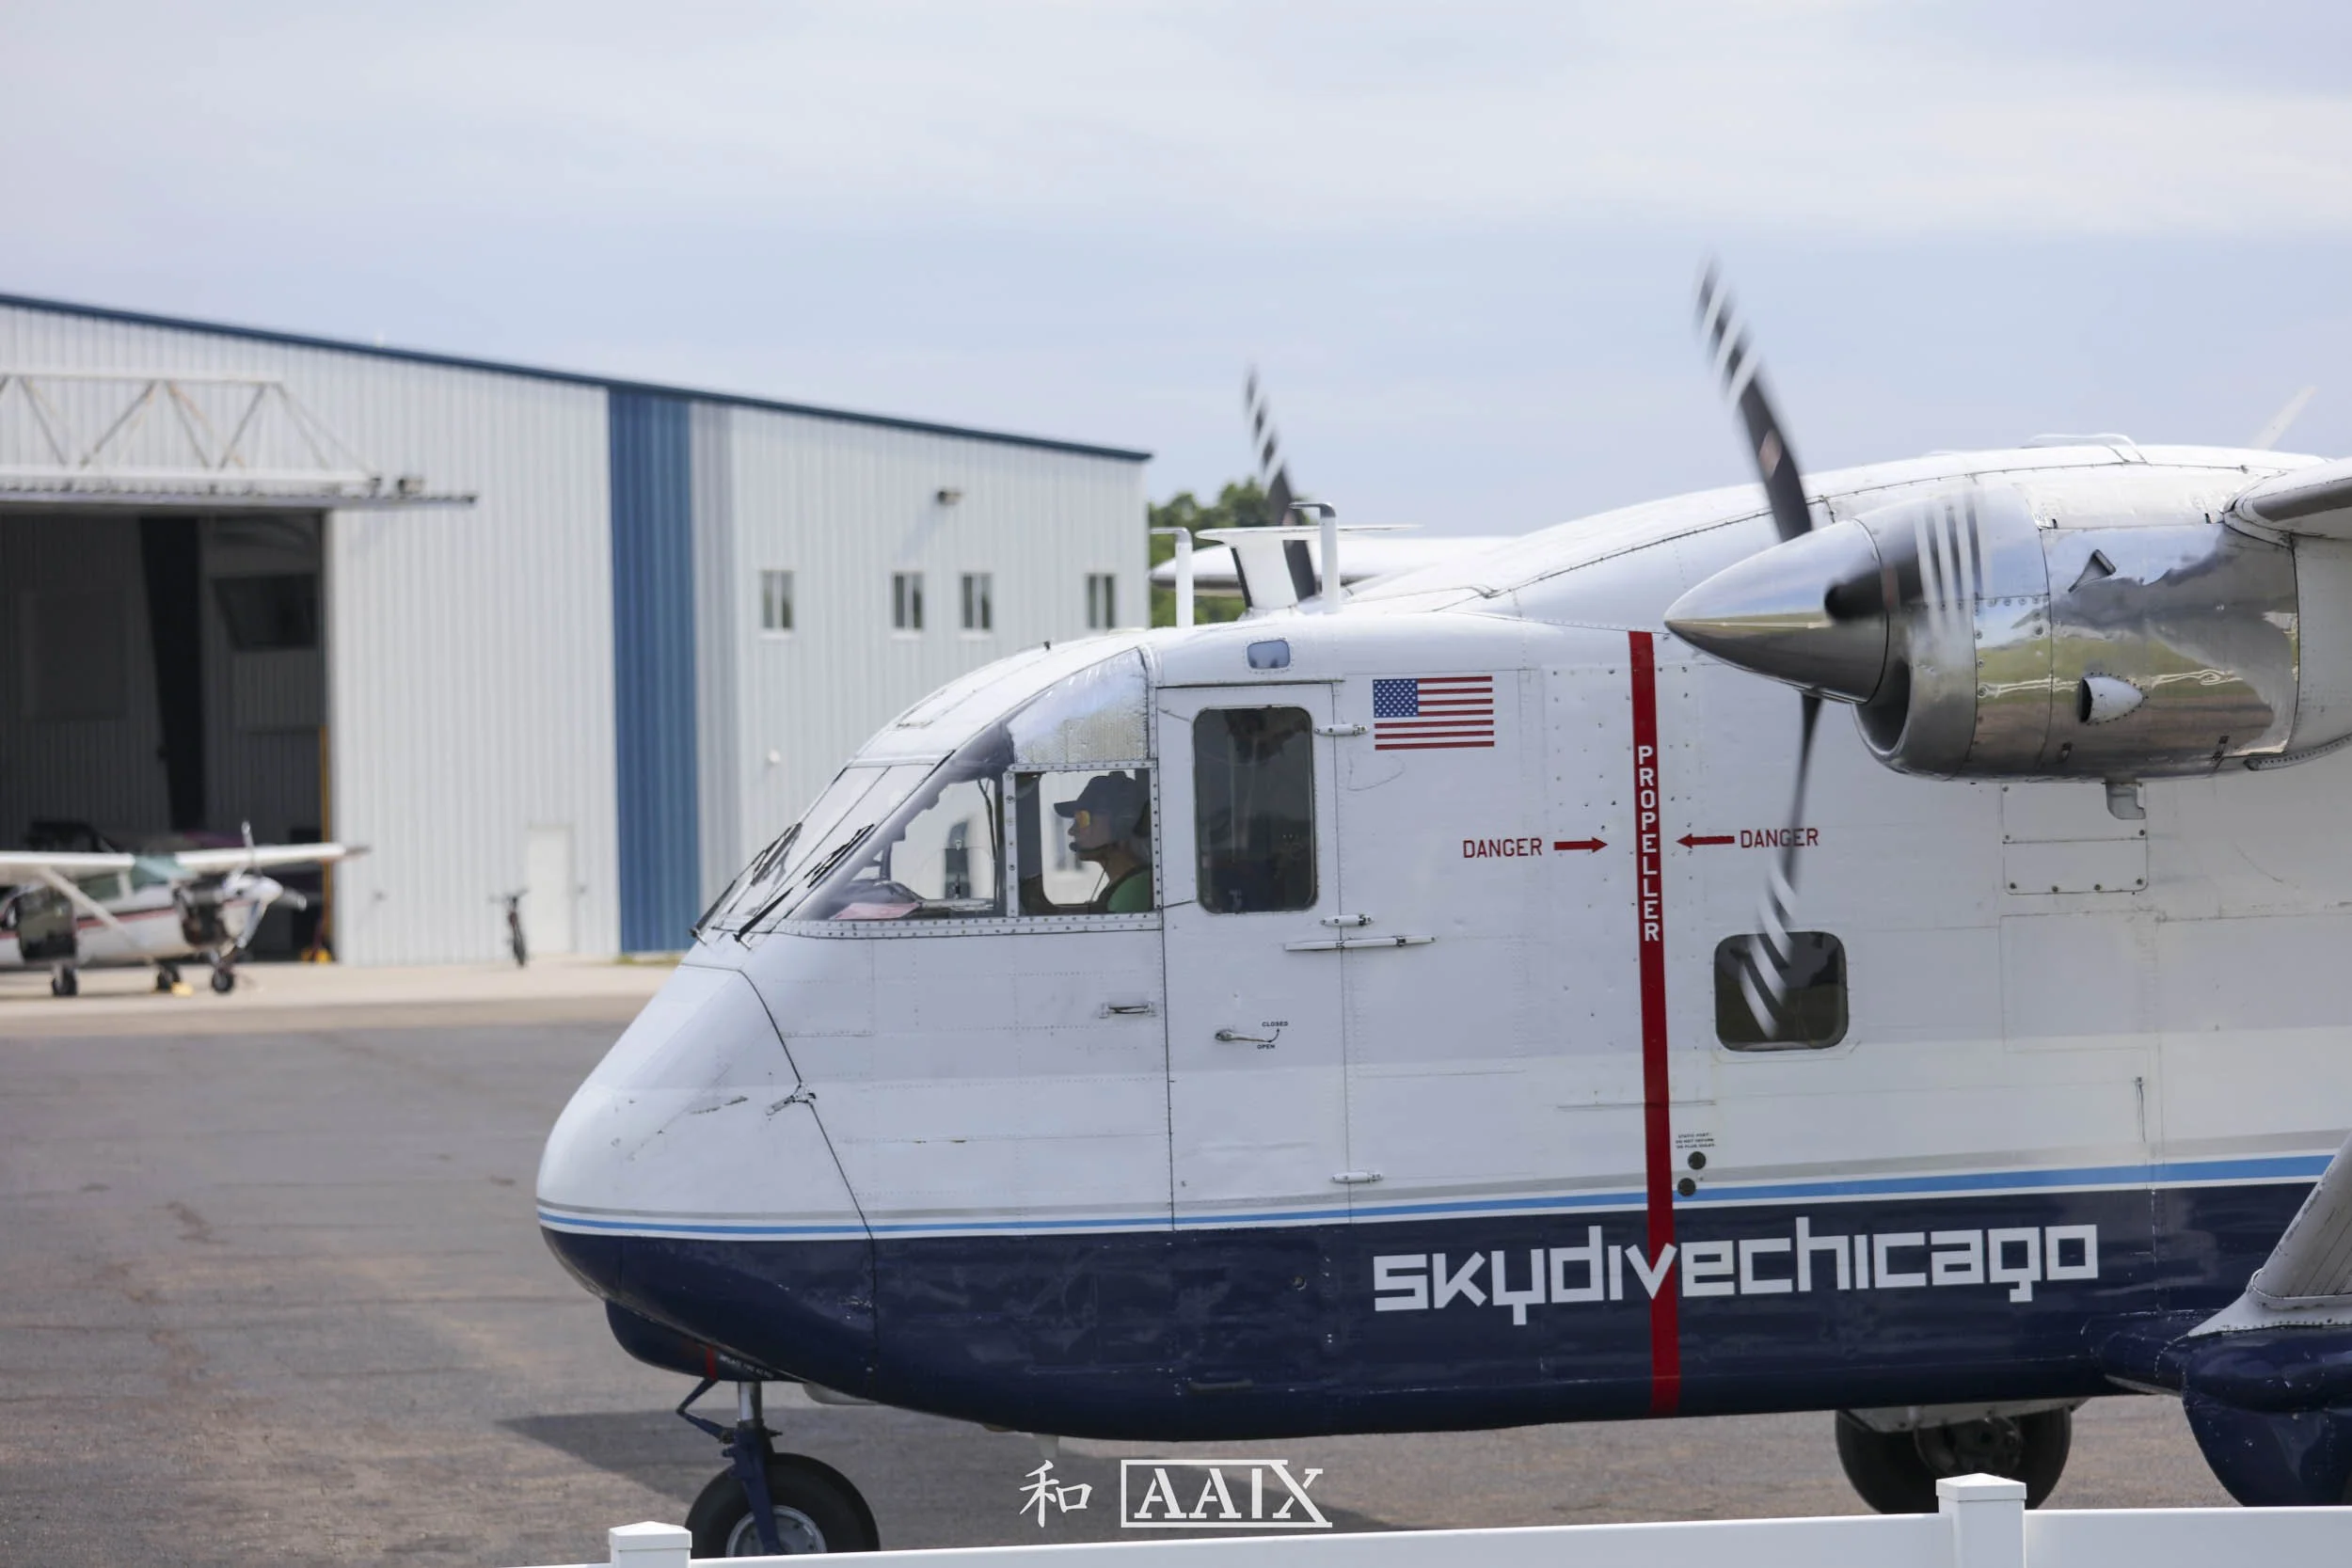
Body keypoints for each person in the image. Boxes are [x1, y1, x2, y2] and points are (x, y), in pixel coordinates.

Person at [1055, 772, 1152, 913]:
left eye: (1082, 819)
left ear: (1120, 826)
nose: (1072, 831)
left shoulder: (1133, 891)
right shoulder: (1124, 885)